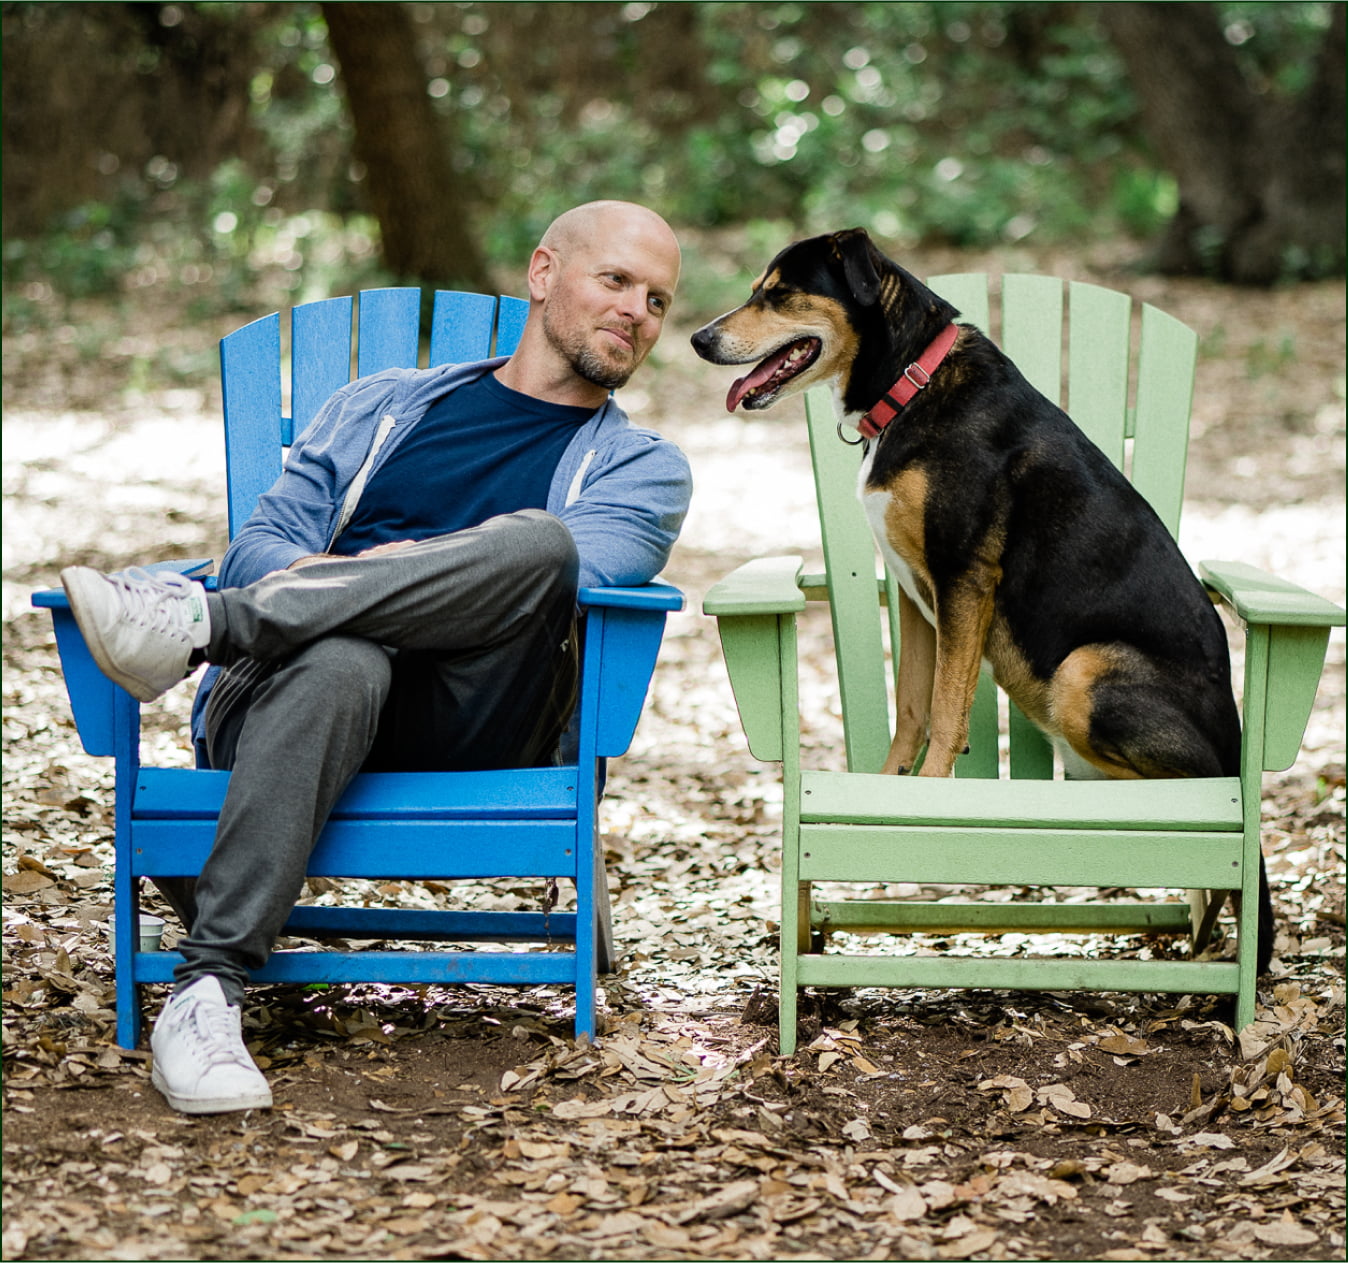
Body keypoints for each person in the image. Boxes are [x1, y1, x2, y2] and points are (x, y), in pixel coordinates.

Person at [60, 201, 691, 1115]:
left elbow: (567, 581)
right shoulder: (378, 405)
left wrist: (340, 584)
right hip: (296, 695)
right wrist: (352, 607)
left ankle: (199, 628)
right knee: (346, 658)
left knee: (540, 549)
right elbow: (261, 541)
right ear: (545, 272)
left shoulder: (641, 467)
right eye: (617, 281)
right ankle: (204, 998)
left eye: (660, 300)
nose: (639, 311)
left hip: (479, 721)